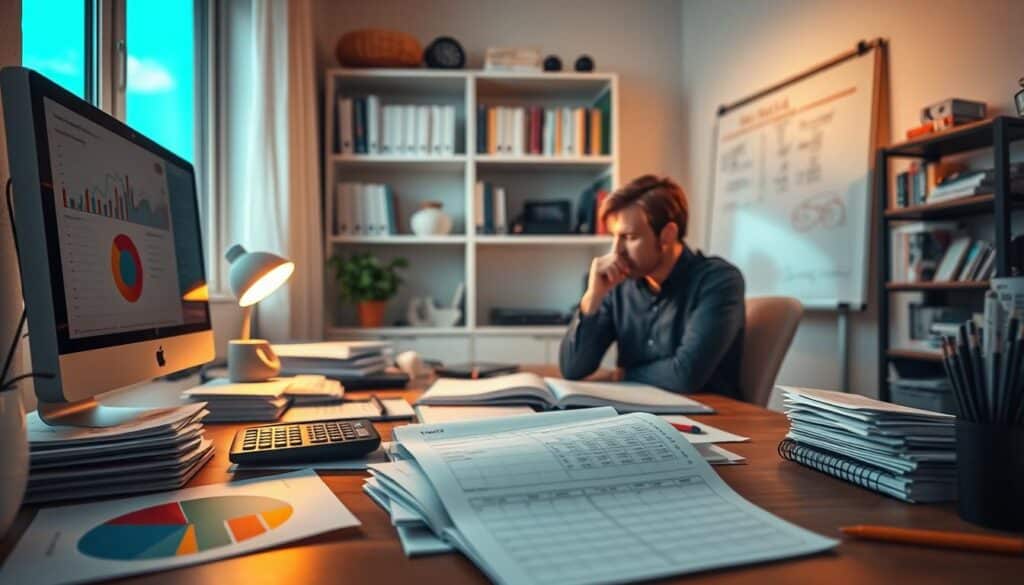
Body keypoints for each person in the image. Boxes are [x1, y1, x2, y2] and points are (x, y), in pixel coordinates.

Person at [559, 174, 745, 397]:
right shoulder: (619, 285)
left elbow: (685, 375)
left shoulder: (718, 281)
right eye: (614, 237)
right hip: (638, 411)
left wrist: (624, 375)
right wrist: (592, 297)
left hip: (713, 413)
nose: (616, 251)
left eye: (629, 237)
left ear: (667, 236)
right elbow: (572, 369)